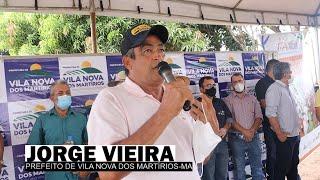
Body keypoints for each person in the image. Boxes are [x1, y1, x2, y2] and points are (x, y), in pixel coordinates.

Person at [87, 24, 220, 180]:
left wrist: (211, 127)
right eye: (148, 50)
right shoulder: (110, 98)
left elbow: (200, 158)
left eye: (160, 50)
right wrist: (165, 113)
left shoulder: (178, 96)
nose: (157, 56)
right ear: (128, 62)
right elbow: (108, 172)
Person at [27, 80, 88, 180]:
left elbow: (90, 144)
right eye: (60, 93)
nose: (65, 96)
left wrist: (85, 168)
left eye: (68, 93)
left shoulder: (81, 118)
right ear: (52, 98)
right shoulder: (43, 120)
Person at [224, 73, 264, 180]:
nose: (238, 83)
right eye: (235, 82)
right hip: (236, 139)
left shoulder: (252, 98)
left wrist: (251, 131)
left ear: (244, 82)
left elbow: (259, 117)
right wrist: (245, 132)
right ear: (232, 85)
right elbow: (230, 120)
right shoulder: (227, 100)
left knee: (257, 168)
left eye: (240, 81)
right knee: (240, 170)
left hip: (253, 137)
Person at [265, 62, 300, 180]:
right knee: (281, 169)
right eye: (290, 72)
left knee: (293, 167)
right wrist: (279, 134)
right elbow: (270, 114)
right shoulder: (274, 89)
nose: (291, 74)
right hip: (284, 137)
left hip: (294, 135)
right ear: (285, 74)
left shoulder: (287, 88)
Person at [198, 76, 233, 180]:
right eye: (208, 85)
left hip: (221, 143)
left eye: (213, 85)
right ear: (201, 89)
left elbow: (229, 118)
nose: (212, 87)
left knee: (222, 174)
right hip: (207, 146)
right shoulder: (197, 104)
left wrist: (225, 128)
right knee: (209, 176)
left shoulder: (220, 102)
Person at [254, 59, 279, 179]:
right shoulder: (262, 83)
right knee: (273, 153)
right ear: (273, 69)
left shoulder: (279, 82)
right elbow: (265, 105)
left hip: (283, 124)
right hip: (271, 125)